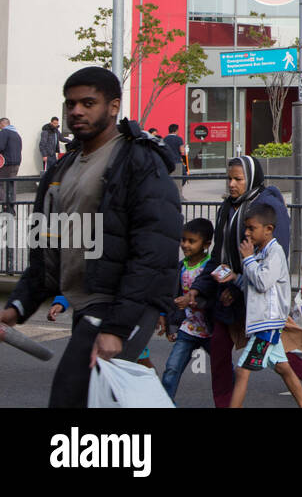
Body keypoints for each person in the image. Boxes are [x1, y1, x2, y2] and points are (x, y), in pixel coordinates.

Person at [2, 68, 181, 407]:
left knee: (70, 398)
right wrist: (18, 306)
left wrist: (116, 327)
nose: (77, 111)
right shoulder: (61, 168)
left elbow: (154, 249)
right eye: (71, 104)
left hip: (121, 301)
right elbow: (45, 249)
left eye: (88, 102)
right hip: (86, 301)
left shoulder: (138, 160)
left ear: (113, 106)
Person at [190, 154, 302, 406]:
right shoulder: (228, 207)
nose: (232, 184)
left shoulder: (268, 208)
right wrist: (199, 288)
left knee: (271, 360)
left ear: (251, 178)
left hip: (260, 303)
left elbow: (270, 264)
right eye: (229, 179)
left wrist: (238, 286)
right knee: (223, 349)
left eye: (238, 179)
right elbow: (218, 255)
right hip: (232, 292)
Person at [229, 202, 302, 408]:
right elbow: (252, 286)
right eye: (246, 228)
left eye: (251, 228)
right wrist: (234, 278)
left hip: (266, 325)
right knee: (284, 368)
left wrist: (247, 260)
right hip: (265, 324)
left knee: (241, 371)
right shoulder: (259, 253)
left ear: (268, 230)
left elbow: (263, 282)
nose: (247, 233)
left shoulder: (275, 254)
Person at [161, 218, 215, 399]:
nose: (185, 245)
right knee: (171, 368)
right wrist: (170, 324)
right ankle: (165, 403)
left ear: (206, 244)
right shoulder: (180, 267)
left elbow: (214, 298)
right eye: (183, 240)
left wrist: (195, 303)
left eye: (191, 241)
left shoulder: (209, 268)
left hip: (211, 330)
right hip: (188, 328)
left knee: (223, 370)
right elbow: (171, 298)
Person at [0, 116, 20, 212]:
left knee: (2, 185)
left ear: (2, 124)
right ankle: (12, 207)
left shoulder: (4, 132)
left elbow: (0, 146)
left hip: (6, 163)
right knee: (12, 185)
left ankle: (5, 205)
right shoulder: (16, 134)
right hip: (16, 163)